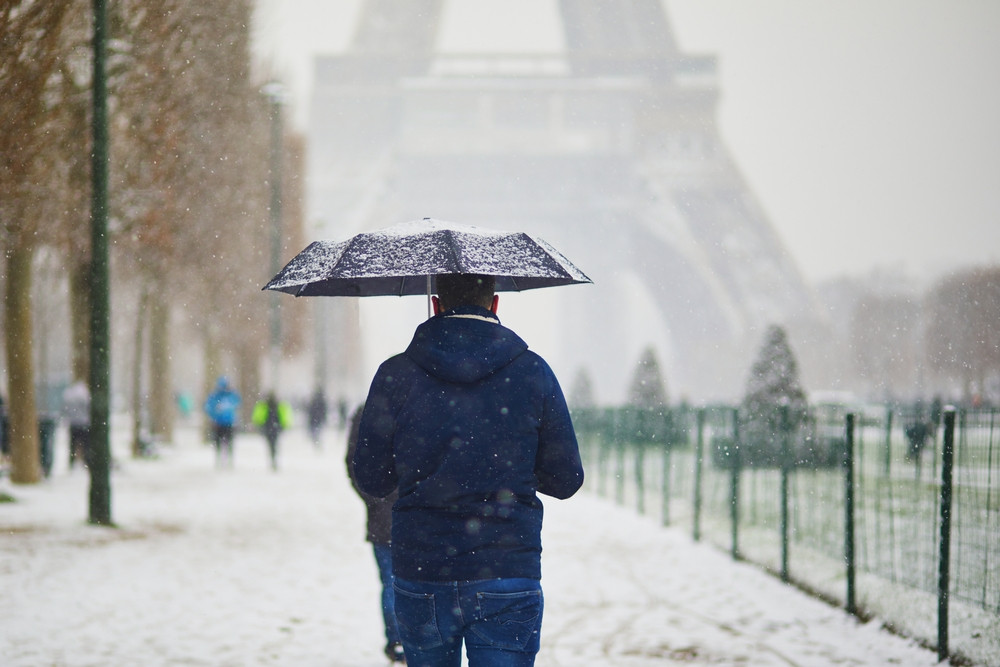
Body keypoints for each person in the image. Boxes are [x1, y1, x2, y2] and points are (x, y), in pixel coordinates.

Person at [352, 273, 584, 667]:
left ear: (436, 304)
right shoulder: (533, 372)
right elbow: (565, 480)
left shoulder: (396, 374)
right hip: (507, 567)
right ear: (495, 304)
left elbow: (371, 478)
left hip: (422, 569)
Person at [345, 403, 405, 663]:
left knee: (392, 582)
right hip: (411, 514)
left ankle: (398, 640)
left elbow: (353, 462)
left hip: (388, 514)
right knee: (409, 583)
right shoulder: (428, 403)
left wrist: (374, 498)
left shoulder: (368, 411)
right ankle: (405, 639)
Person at [203, 376, 241, 468]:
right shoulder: (216, 396)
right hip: (220, 423)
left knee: (227, 443)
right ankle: (221, 460)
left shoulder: (230, 395)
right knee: (220, 443)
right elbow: (208, 407)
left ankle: (227, 460)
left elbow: (238, 403)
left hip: (226, 423)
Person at [252, 392, 291, 471]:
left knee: (271, 444)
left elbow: (258, 416)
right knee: (274, 444)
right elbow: (285, 415)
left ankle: (273, 457)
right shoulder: (278, 405)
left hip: (268, 427)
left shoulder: (264, 405)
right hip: (275, 428)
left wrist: (259, 424)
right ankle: (273, 457)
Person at [61, 380, 91, 470]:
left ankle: (72, 462)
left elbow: (65, 409)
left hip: (73, 423)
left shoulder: (69, 394)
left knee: (73, 444)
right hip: (84, 423)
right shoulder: (86, 394)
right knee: (85, 444)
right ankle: (86, 461)